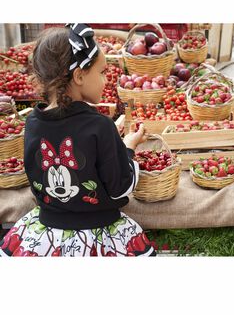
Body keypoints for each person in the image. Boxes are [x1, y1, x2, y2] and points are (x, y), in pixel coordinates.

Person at [0, 24, 156, 257]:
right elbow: (120, 188)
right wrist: (128, 147)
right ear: (79, 75)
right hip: (99, 231)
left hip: (46, 233)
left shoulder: (32, 121)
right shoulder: (100, 126)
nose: (106, 80)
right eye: (102, 72)